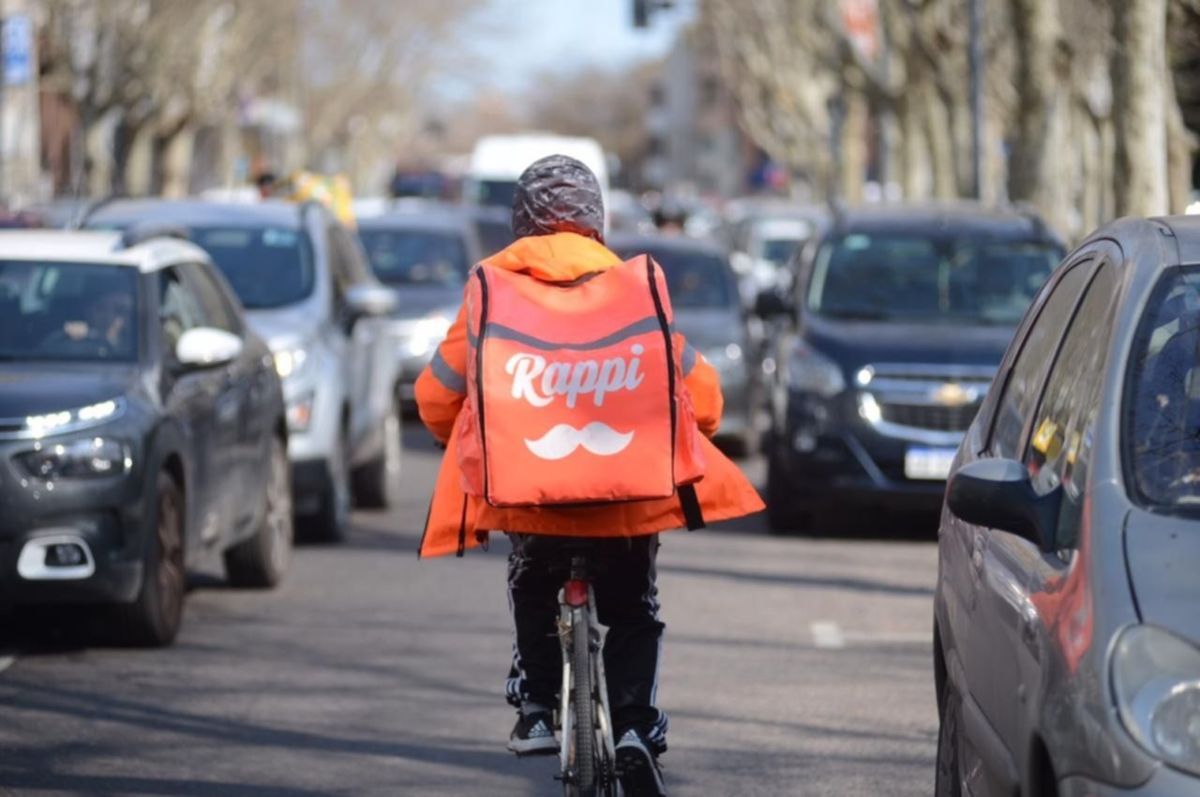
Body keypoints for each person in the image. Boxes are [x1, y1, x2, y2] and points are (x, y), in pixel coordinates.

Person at [414, 155, 763, 796]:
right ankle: (635, 730)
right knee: (633, 609)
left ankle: (539, 709)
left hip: (530, 495)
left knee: (530, 580)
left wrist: (459, 439)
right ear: (596, 222)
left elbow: (437, 393)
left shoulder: (493, 289)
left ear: (522, 222)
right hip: (623, 498)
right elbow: (702, 396)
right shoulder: (632, 288)